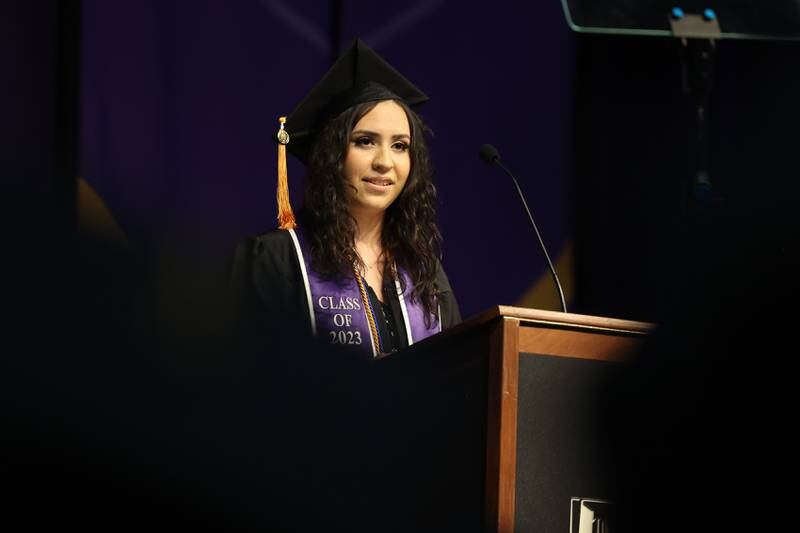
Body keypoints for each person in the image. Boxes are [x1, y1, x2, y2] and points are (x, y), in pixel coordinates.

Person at [231, 39, 461, 359]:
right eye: (365, 142)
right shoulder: (277, 260)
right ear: (332, 155)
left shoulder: (424, 274)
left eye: (400, 145)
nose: (385, 162)